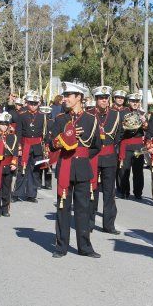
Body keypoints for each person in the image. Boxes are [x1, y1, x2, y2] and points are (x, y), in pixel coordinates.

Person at [50, 82, 102, 258]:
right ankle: (61, 246)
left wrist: (82, 154)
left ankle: (85, 247)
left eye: (68, 96)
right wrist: (65, 138)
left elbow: (96, 145)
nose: (64, 99)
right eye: (64, 96)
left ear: (78, 97)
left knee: (83, 209)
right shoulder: (60, 119)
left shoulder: (91, 120)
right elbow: (51, 145)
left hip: (82, 168)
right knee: (63, 208)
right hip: (65, 165)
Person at [88, 85, 122, 234]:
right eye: (101, 98)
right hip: (93, 157)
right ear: (96, 99)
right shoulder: (89, 114)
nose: (104, 100)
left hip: (109, 157)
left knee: (109, 192)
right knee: (91, 190)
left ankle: (109, 225)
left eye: (106, 98)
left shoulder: (115, 115)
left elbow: (119, 134)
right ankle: (88, 223)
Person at [13, 91, 50, 203]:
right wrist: (18, 147)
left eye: (35, 103)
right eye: (31, 103)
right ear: (27, 103)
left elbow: (45, 133)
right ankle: (17, 194)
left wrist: (46, 146)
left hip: (37, 146)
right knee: (22, 170)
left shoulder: (43, 116)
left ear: (38, 103)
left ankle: (31, 194)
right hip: (25, 145)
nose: (33, 105)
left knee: (35, 171)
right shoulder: (22, 115)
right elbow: (18, 132)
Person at [0, 112, 18, 217]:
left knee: (6, 188)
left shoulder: (13, 137)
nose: (4, 126)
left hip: (8, 165)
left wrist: (14, 163)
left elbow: (15, 151)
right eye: (2, 124)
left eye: (6, 124)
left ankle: (5, 208)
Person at [118, 93, 146, 199]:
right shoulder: (122, 112)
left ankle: (138, 192)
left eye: (137, 101)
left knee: (138, 170)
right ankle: (125, 191)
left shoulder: (142, 112)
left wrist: (144, 121)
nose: (135, 103)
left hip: (139, 144)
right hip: (126, 143)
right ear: (129, 101)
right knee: (124, 169)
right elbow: (119, 128)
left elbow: (147, 128)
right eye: (133, 101)